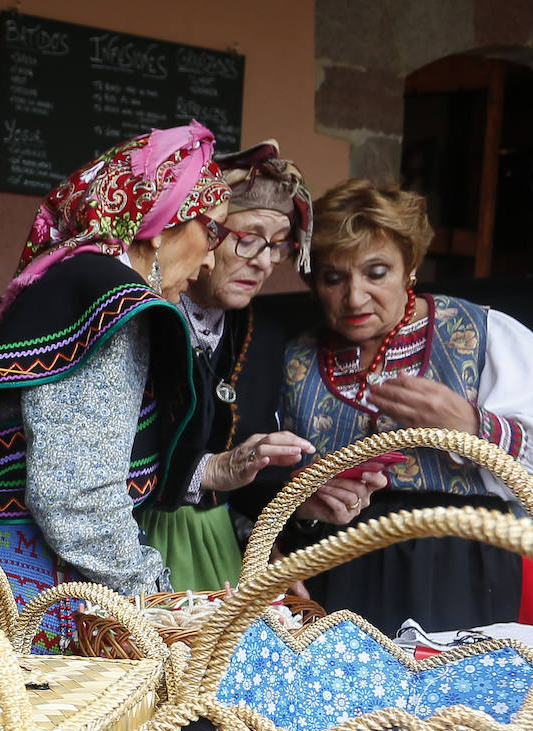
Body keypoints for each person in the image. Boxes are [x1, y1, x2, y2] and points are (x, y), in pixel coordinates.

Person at [0, 121, 231, 654]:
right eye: (214, 231)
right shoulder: (116, 307)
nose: (210, 259)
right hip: (21, 594)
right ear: (160, 225)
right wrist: (153, 599)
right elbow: (76, 495)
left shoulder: (74, 283)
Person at [279, 178, 533, 631]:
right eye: (334, 277)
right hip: (339, 570)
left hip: (461, 568)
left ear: (409, 265)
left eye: (376, 273)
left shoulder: (481, 333)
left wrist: (473, 425)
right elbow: (272, 489)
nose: (354, 297)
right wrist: (306, 513)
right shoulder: (296, 358)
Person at [139, 141, 385, 593]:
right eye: (248, 238)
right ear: (204, 233)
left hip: (216, 555)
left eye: (277, 245)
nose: (265, 261)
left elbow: (247, 488)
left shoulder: (265, 335)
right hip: (129, 546)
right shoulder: (142, 318)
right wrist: (208, 470)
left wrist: (302, 503)